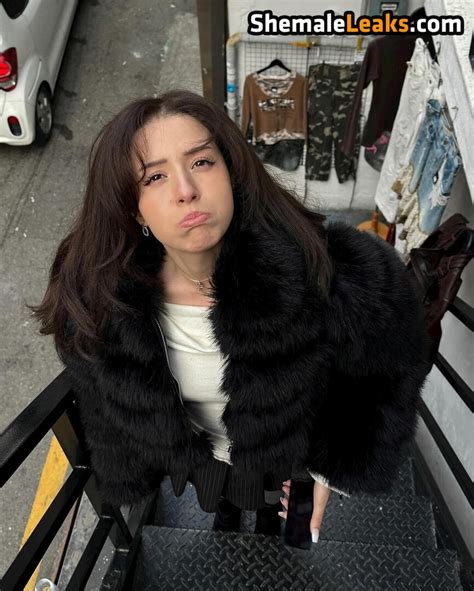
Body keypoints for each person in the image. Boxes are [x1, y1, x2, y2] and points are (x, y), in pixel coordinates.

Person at [32, 89, 430, 544]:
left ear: (232, 173)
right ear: (132, 208)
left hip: (289, 458)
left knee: (282, 527)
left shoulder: (324, 271)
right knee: (223, 511)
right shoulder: (101, 303)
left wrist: (333, 466)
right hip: (206, 464)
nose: (186, 190)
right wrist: (128, 470)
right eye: (155, 177)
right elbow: (99, 401)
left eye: (202, 162)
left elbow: (392, 363)